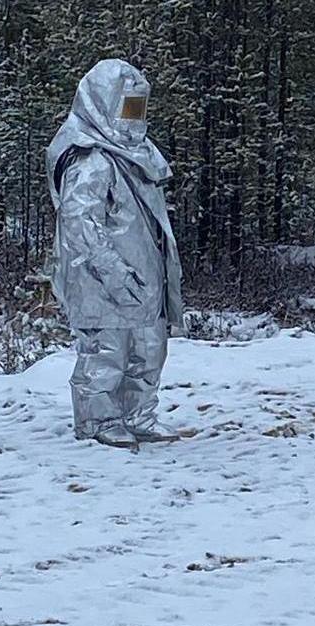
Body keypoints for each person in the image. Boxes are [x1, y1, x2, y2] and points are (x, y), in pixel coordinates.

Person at [46, 59, 184, 450]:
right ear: (103, 103)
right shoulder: (91, 160)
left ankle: (138, 414)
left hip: (142, 277)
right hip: (103, 280)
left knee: (148, 349)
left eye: (138, 107)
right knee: (106, 352)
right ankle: (98, 419)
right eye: (127, 106)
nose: (133, 117)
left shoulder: (136, 154)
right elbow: (80, 224)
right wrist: (114, 272)